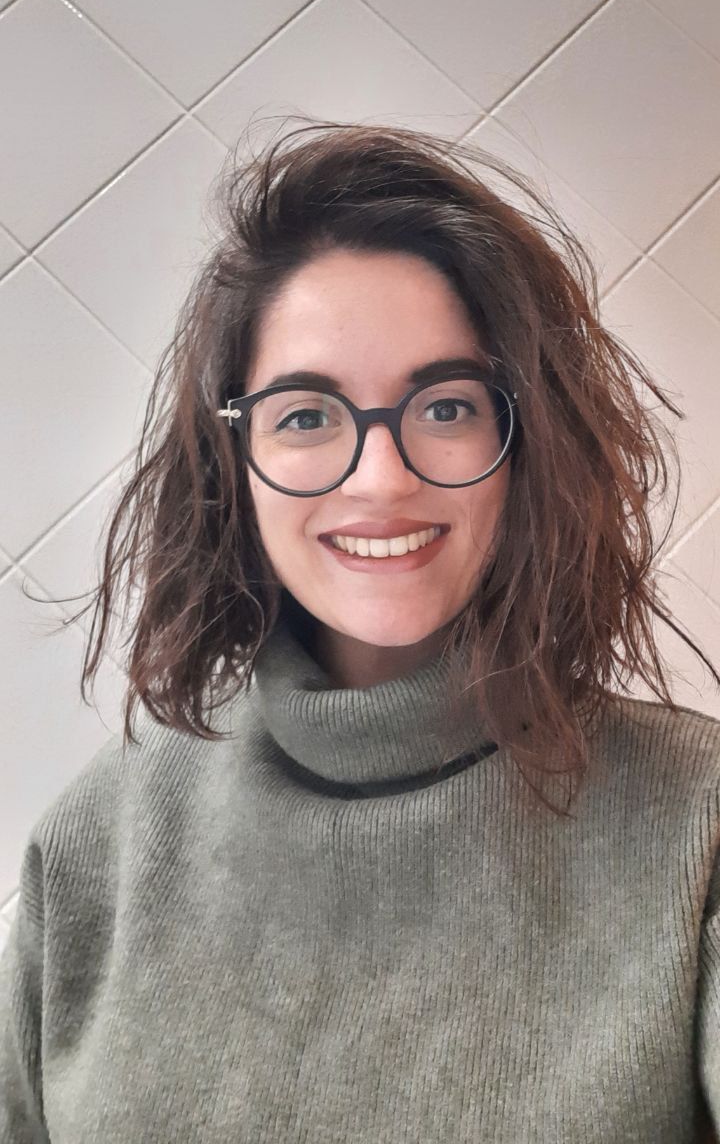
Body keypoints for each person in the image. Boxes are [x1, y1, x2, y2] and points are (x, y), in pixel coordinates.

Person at [1, 119, 719, 1143]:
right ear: (233, 459)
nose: (381, 479)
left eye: (447, 406)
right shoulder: (96, 844)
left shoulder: (698, 824)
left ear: (527, 440)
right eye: (306, 415)